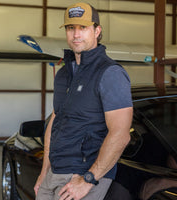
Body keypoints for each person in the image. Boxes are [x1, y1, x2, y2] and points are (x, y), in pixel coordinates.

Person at [34, 2, 133, 200]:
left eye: (83, 28)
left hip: (82, 175)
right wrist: (44, 172)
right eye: (71, 28)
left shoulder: (110, 73)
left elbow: (121, 135)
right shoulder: (63, 75)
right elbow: (54, 124)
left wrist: (88, 179)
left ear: (97, 31)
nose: (76, 34)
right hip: (54, 173)